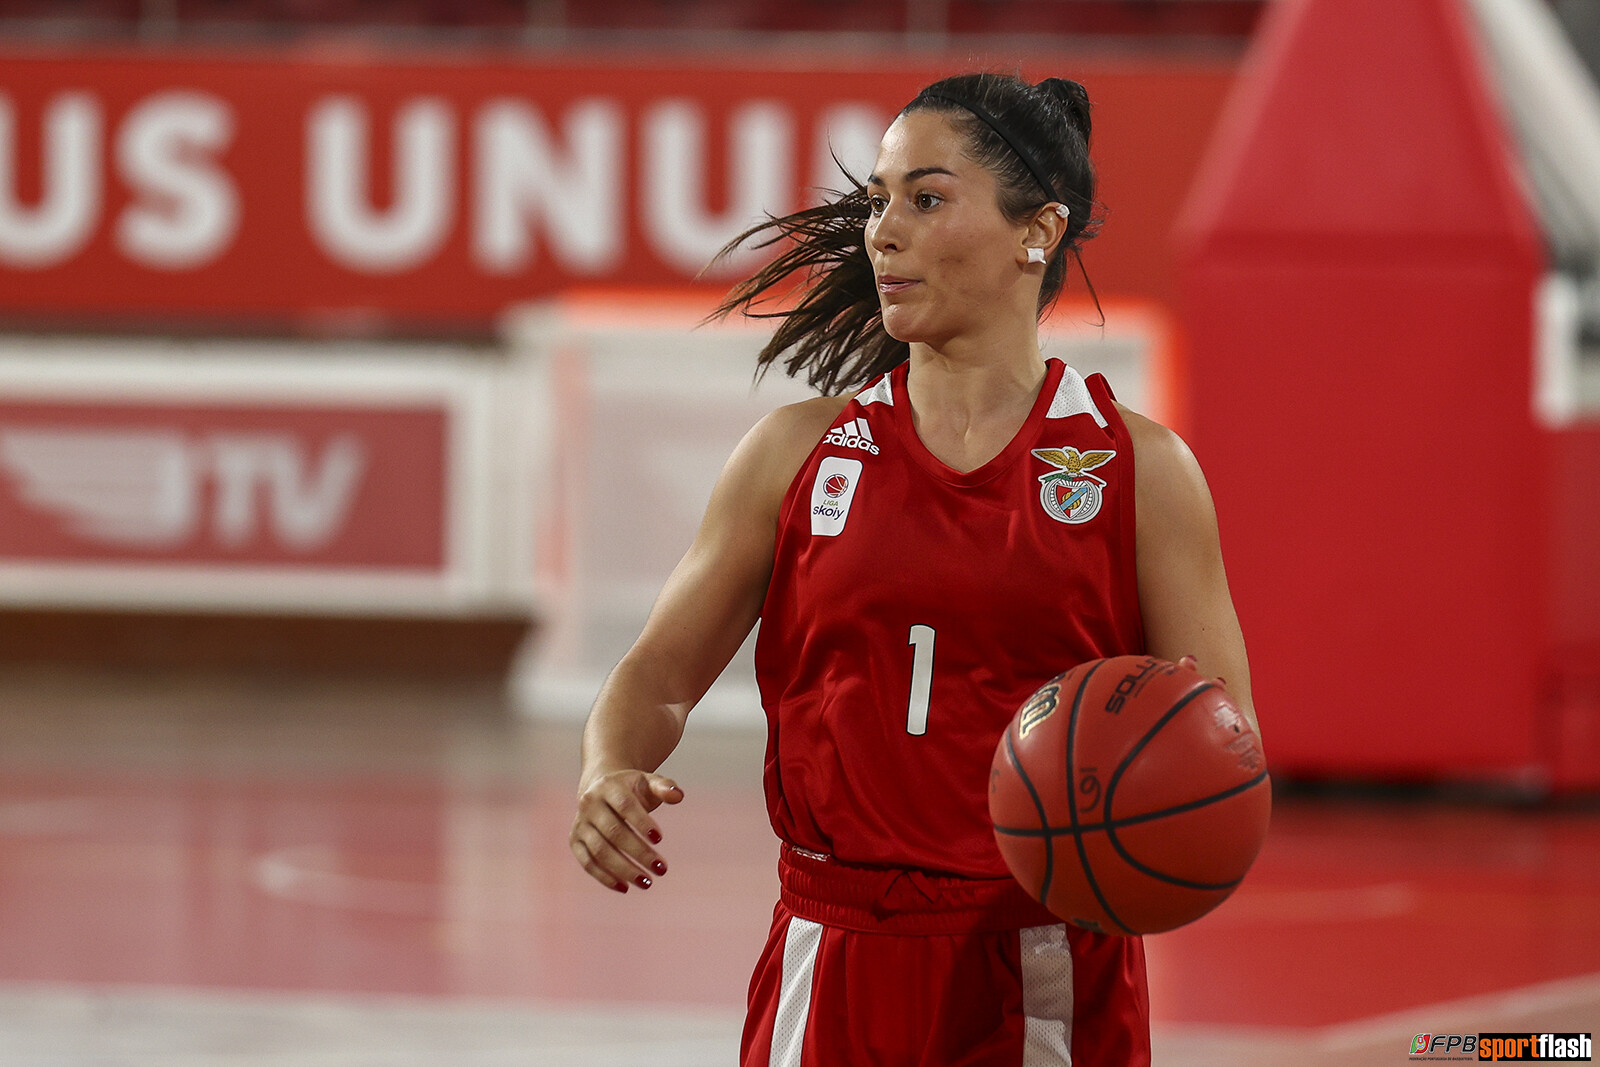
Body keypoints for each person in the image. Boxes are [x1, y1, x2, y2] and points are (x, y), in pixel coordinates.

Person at [568, 71, 1256, 1067]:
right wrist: (609, 767)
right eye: (879, 200)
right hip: (833, 952)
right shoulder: (796, 452)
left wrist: (1145, 839)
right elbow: (657, 675)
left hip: (1045, 963)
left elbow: (1222, 750)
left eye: (925, 199)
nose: (881, 231)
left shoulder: (1138, 469)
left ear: (1038, 231)